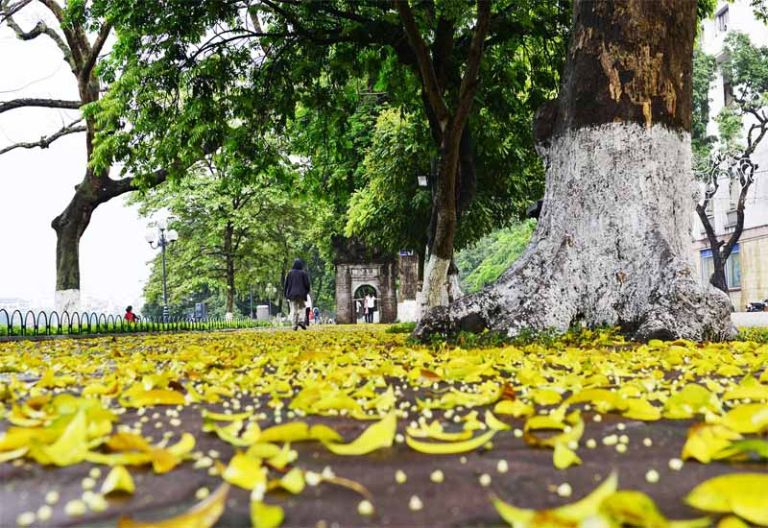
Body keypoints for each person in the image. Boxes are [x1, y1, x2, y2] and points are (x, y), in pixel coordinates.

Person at [284, 259, 311, 330]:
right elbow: (307, 284)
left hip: (292, 294)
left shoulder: (290, 273)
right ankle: (301, 321)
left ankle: (294, 325)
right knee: (302, 307)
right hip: (301, 294)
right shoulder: (303, 273)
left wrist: (286, 294)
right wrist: (307, 291)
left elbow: (286, 285)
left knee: (294, 309)